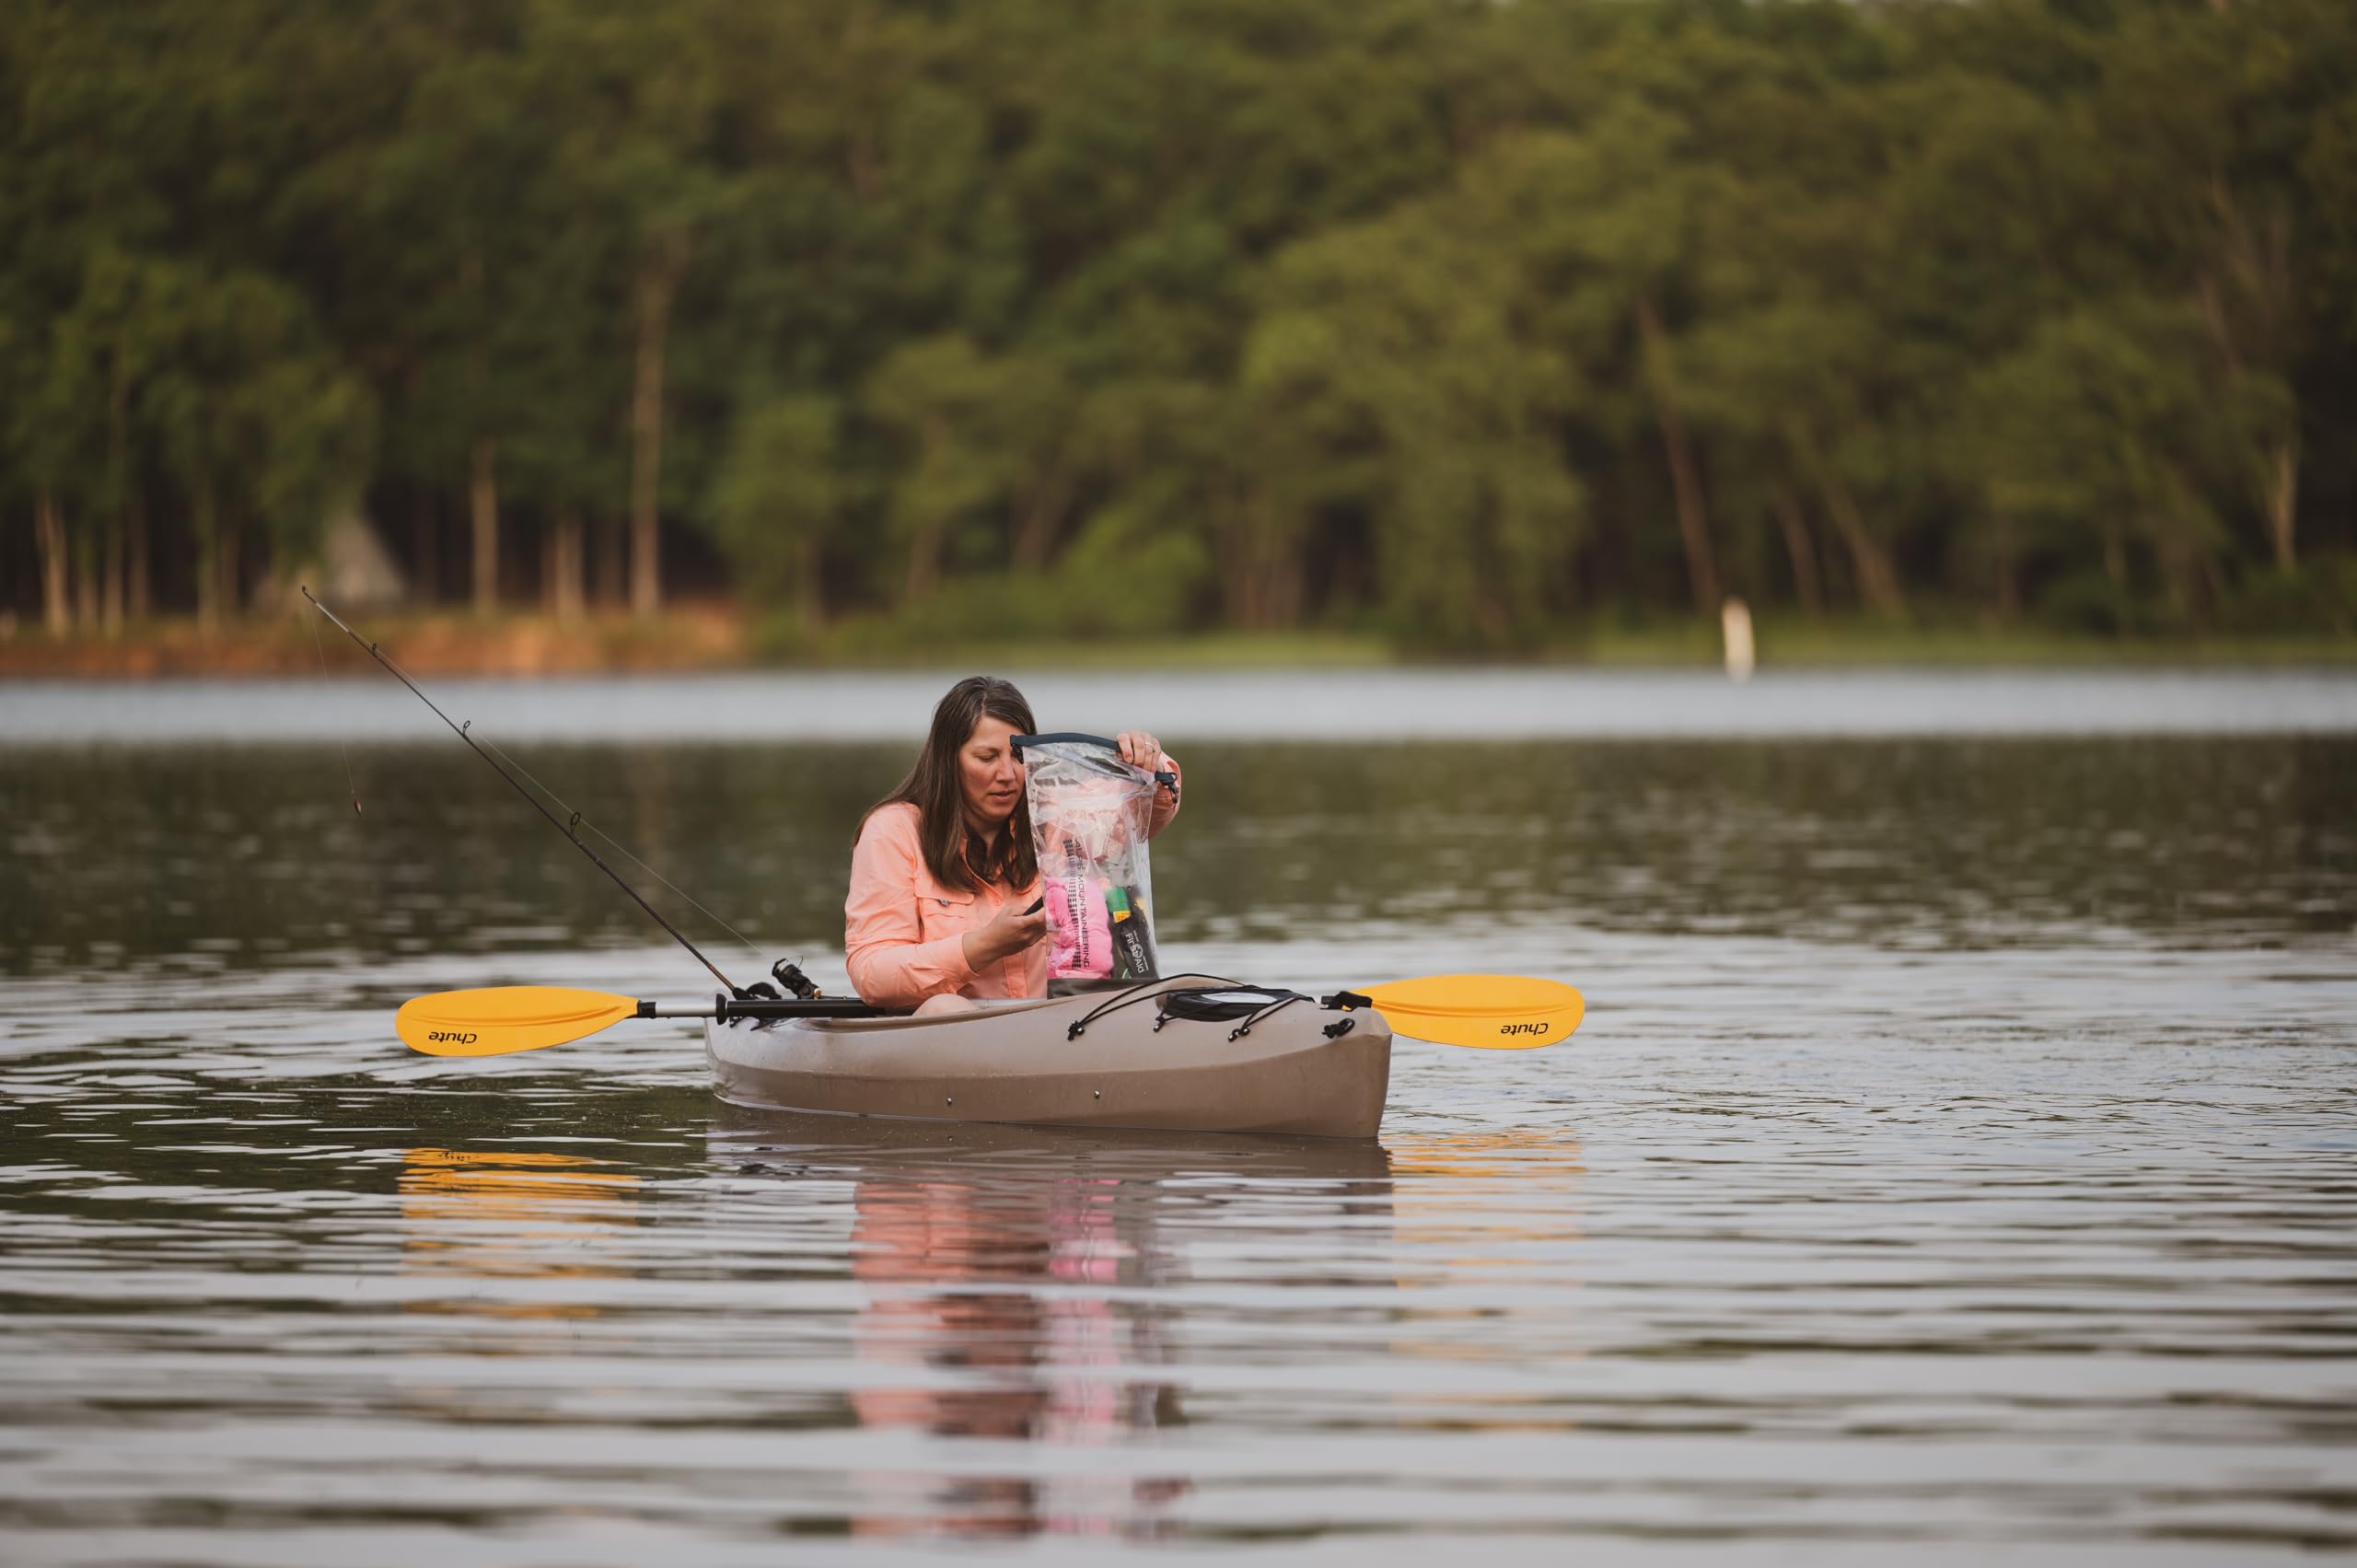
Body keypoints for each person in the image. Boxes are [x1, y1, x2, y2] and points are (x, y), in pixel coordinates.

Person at [845, 676, 1181, 1013]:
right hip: (945, 1036)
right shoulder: (892, 830)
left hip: (1057, 1030)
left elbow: (1147, 814)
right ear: (948, 761)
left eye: (1018, 756)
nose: (1007, 774)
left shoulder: (1058, 816)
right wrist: (985, 946)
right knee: (945, 1008)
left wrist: (1147, 762)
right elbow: (873, 974)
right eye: (987, 757)